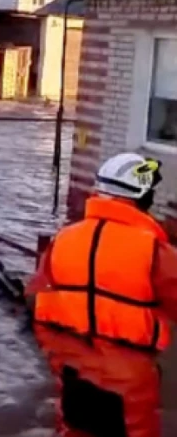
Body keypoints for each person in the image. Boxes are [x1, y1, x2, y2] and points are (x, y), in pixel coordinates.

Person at [26, 153, 177, 437]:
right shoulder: (156, 253)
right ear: (144, 197)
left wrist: (61, 354)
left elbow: (36, 300)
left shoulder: (63, 240)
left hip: (71, 374)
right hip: (129, 385)